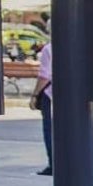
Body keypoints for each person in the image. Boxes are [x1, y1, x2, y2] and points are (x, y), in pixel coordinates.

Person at [31, 39, 53, 176]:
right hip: (71, 97)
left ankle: (53, 163)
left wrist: (35, 95)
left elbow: (44, 76)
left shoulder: (48, 49)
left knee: (49, 130)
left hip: (51, 95)